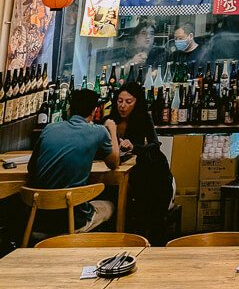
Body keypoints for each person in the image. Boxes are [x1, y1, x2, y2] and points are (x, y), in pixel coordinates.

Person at [28, 87, 119, 233]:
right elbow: (114, 163)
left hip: (38, 219)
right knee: (110, 205)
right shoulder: (99, 131)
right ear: (94, 111)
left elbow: (31, 169)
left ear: (69, 108)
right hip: (71, 220)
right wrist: (112, 130)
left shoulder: (49, 129)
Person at [111, 82, 173, 245]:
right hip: (124, 170)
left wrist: (135, 147)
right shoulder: (110, 120)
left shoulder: (144, 117)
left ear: (137, 102)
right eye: (120, 101)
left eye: (128, 102)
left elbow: (155, 144)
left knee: (148, 210)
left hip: (153, 171)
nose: (123, 106)